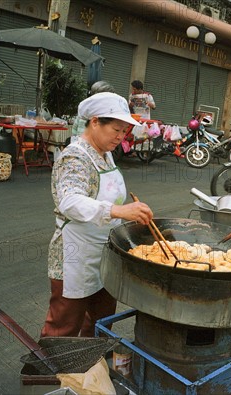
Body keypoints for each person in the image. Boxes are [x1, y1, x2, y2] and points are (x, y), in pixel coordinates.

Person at [42, 92, 154, 337]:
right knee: (64, 324)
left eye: (124, 131)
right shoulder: (75, 157)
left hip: (103, 252)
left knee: (101, 321)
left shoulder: (105, 153)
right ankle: (48, 374)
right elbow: (70, 201)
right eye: (116, 129)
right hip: (75, 256)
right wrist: (118, 211)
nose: (120, 137)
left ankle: (92, 369)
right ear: (95, 122)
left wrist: (128, 212)